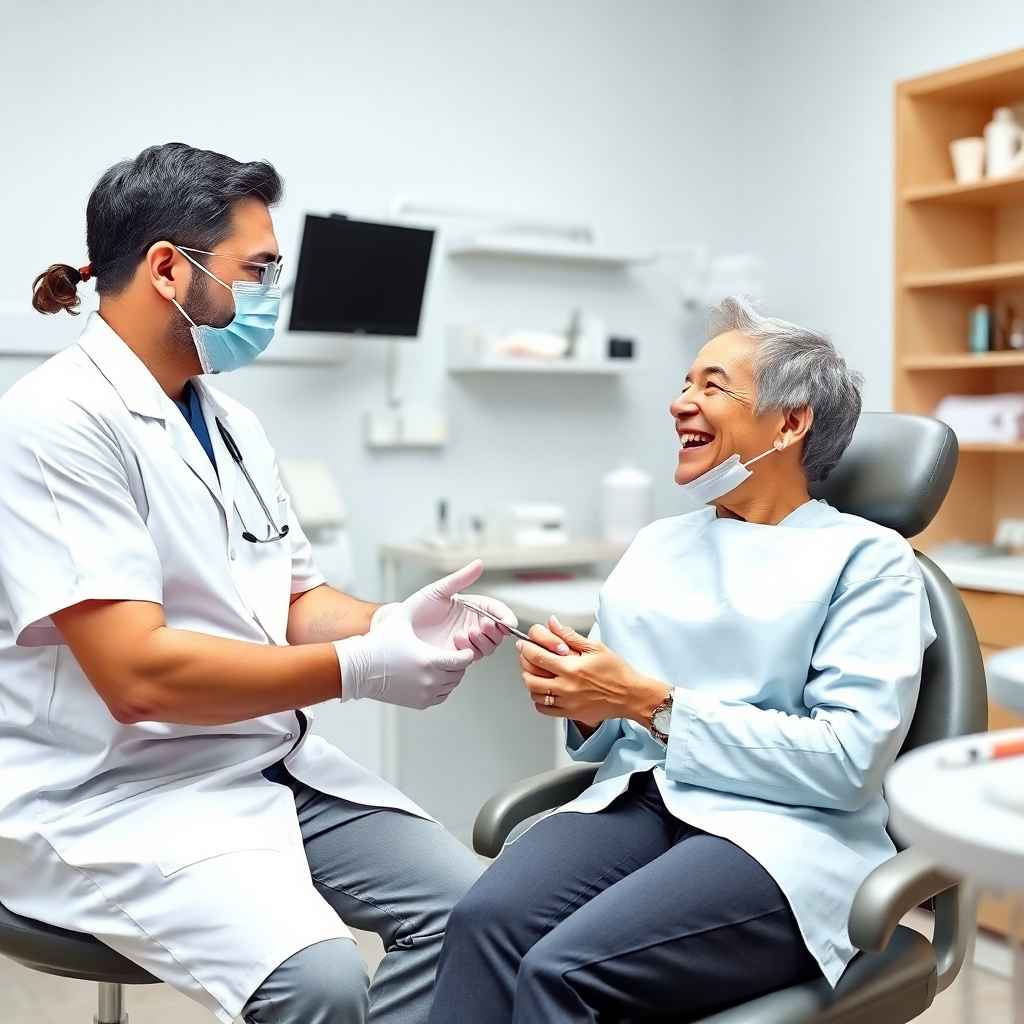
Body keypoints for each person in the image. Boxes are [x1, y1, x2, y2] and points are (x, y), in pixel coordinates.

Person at [0, 142, 518, 1024]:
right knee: (321, 981)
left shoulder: (230, 420)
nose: (271, 294)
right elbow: (138, 677)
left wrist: (402, 620)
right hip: (112, 789)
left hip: (260, 759)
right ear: (169, 268)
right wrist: (362, 668)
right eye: (258, 270)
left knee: (481, 914)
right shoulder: (53, 422)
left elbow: (292, 599)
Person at [427, 296, 936, 1023]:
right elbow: (610, 729)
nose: (679, 404)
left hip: (785, 832)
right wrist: (580, 698)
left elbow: (846, 765)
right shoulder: (658, 545)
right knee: (483, 924)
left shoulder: (868, 560)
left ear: (790, 424)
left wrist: (648, 703)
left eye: (712, 386)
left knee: (562, 972)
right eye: (685, 383)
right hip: (642, 798)